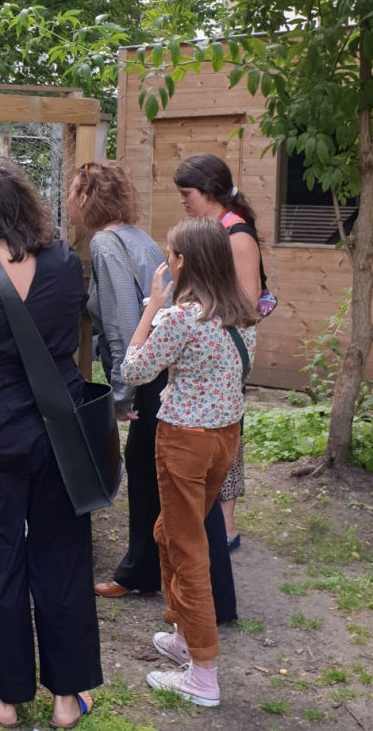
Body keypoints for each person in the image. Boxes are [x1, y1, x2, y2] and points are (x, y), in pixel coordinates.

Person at [0, 156, 101, 730]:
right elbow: (73, 331)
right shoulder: (64, 265)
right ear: (30, 204)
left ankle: (6, 698)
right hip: (60, 430)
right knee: (63, 553)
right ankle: (66, 698)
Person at [67, 163, 237, 620]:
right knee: (167, 482)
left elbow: (125, 322)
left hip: (149, 370)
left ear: (86, 199)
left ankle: (149, 577)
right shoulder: (138, 237)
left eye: (73, 194)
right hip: (172, 367)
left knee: (150, 478)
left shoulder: (105, 243)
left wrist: (124, 395)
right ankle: (165, 577)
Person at [122, 217, 257, 707]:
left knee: (188, 549)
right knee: (170, 532)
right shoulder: (241, 315)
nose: (167, 262)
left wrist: (153, 306)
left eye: (170, 255)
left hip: (184, 442)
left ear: (184, 262)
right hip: (225, 439)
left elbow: (134, 368)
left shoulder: (181, 318)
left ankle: (202, 675)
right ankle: (183, 635)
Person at [173, 153, 265, 551]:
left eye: (187, 193)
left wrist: (199, 317)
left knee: (226, 434)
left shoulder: (237, 234)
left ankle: (226, 527)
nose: (182, 200)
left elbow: (249, 303)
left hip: (222, 352)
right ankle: (216, 523)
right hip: (206, 348)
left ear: (210, 193)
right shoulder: (212, 228)